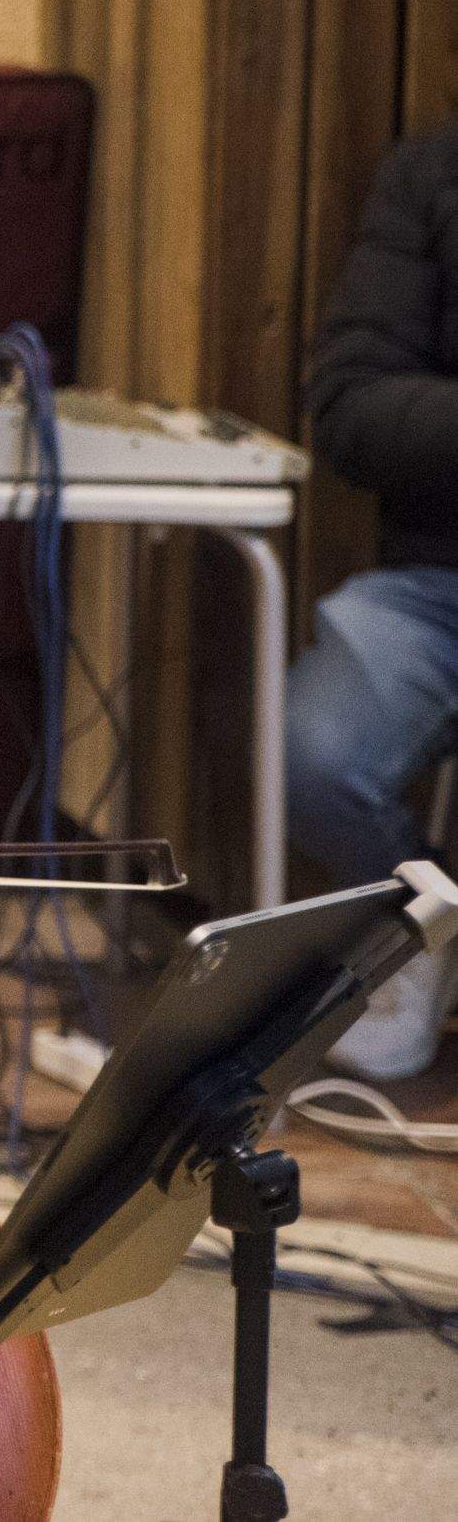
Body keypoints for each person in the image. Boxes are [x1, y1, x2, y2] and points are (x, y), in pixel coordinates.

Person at [293, 114, 458, 1080]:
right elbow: (348, 399)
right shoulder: (431, 168)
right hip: (434, 580)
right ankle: (415, 933)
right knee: (315, 754)